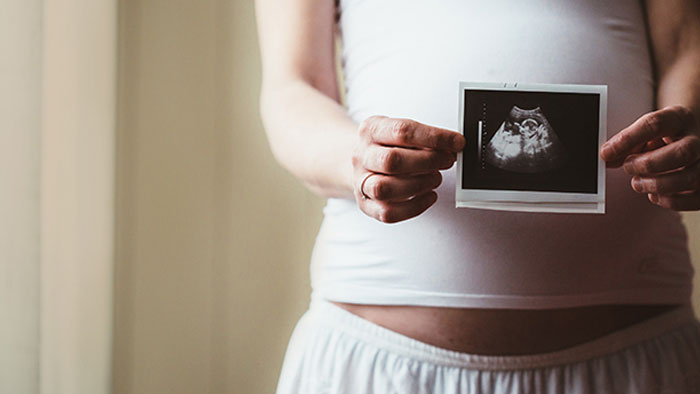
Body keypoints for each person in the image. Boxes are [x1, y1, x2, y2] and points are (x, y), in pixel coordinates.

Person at [255, 0, 700, 392]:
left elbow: (685, 49)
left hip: (634, 362)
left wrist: (689, 134)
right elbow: (292, 88)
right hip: (384, 363)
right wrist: (357, 160)